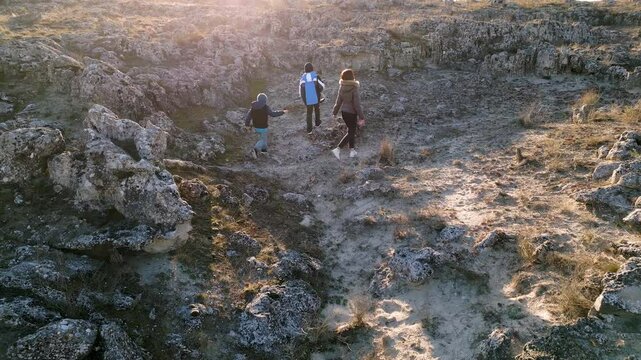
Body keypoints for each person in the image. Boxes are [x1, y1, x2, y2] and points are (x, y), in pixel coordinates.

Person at [331, 69, 365, 160]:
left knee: (351, 130)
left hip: (344, 113)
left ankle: (352, 151)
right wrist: (361, 117)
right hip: (352, 113)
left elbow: (338, 102)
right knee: (351, 131)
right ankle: (338, 149)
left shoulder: (342, 87)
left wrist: (334, 112)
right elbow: (357, 105)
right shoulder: (354, 88)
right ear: (352, 77)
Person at [244, 93, 287, 158]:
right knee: (262, 140)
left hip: (256, 126)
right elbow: (273, 114)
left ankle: (264, 151)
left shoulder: (253, 107)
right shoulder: (266, 107)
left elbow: (248, 117)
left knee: (264, 139)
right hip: (263, 126)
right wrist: (282, 112)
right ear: (265, 100)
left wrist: (247, 125)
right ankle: (255, 149)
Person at [299, 62, 325, 134]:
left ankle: (309, 130)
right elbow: (322, 86)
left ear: (305, 69)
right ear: (312, 68)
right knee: (317, 110)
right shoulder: (315, 76)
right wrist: (319, 91)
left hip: (307, 99)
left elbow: (301, 90)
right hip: (316, 97)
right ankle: (317, 123)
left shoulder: (303, 78)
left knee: (309, 113)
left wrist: (304, 99)